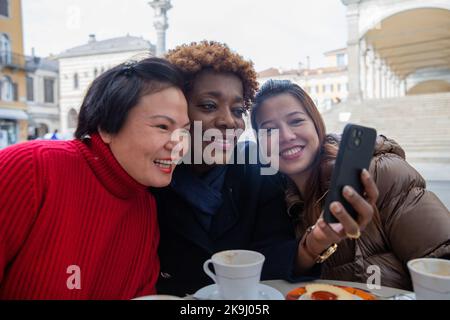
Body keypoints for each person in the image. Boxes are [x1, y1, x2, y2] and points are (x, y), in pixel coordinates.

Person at [154, 41, 377, 297]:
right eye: (208, 105)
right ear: (177, 109)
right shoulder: (152, 176)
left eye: (238, 110)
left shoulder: (258, 169)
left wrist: (313, 245)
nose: (229, 120)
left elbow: (272, 256)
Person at [0, 57, 190, 299]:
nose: (180, 147)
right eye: (163, 127)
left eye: (184, 131)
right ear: (107, 127)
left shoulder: (145, 206)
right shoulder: (32, 168)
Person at [251, 79, 450, 290]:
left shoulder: (379, 170)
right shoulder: (274, 199)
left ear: (317, 124)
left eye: (296, 121)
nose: (286, 136)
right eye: (269, 130)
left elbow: (441, 258)